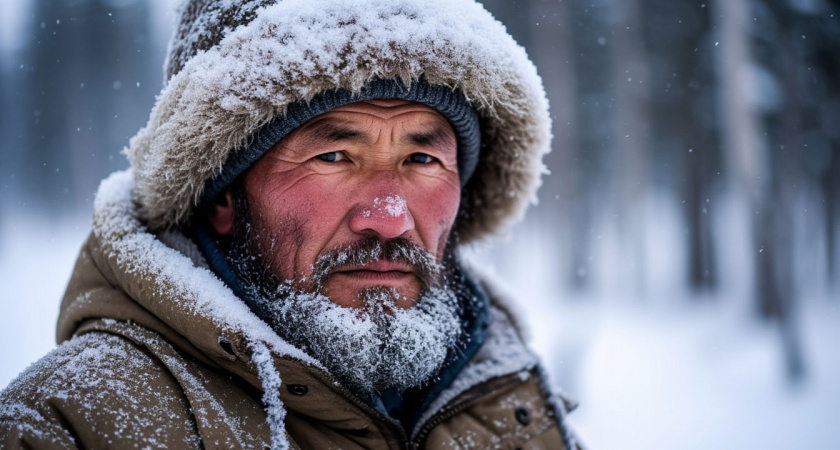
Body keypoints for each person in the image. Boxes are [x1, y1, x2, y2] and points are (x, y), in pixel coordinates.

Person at [0, 0, 581, 448]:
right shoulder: (75, 424)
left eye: (421, 159)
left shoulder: (510, 404)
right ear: (221, 195)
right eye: (334, 157)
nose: (389, 218)